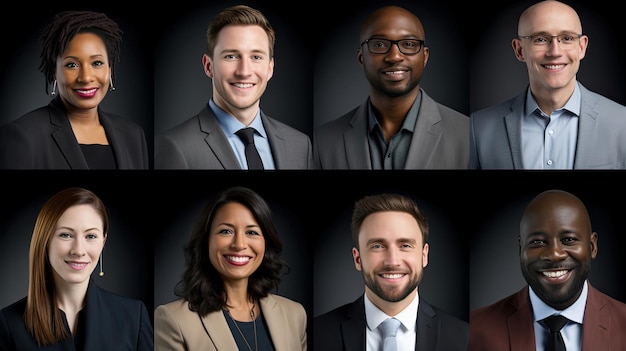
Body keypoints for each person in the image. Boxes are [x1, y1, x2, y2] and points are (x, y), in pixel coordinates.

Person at [469, 0, 626, 169]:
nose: (555, 52)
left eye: (566, 38)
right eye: (540, 39)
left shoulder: (622, 123)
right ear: (519, 50)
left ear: (581, 47)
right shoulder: (478, 128)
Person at [154, 5, 315, 170]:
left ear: (270, 68)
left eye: (256, 57)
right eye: (231, 56)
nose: (244, 71)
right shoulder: (175, 146)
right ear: (208, 66)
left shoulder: (301, 145)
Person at [313, 5, 469, 170]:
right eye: (379, 44)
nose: (394, 56)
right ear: (361, 58)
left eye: (408, 43)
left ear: (424, 57)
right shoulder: (322, 141)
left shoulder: (465, 133)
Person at [154, 186, 307, 350]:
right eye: (226, 231)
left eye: (252, 232)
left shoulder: (295, 314)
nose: (239, 244)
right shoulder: (173, 320)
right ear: (206, 241)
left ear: (266, 242)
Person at [470, 189, 626, 350]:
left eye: (569, 240)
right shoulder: (474, 330)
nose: (554, 254)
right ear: (520, 249)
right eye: (538, 242)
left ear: (592, 246)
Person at [0, 187, 154, 350]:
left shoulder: (133, 316)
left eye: (90, 236)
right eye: (66, 235)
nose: (78, 250)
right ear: (44, 240)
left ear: (103, 241)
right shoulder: (8, 323)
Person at [314, 193, 469, 350]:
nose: (393, 261)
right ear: (357, 259)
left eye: (405, 245)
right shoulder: (317, 334)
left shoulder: (465, 338)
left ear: (424, 256)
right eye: (377, 246)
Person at [0, 10, 149, 170]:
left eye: (97, 63)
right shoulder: (23, 135)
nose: (85, 77)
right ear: (54, 72)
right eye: (72, 65)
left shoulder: (133, 135)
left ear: (110, 69)